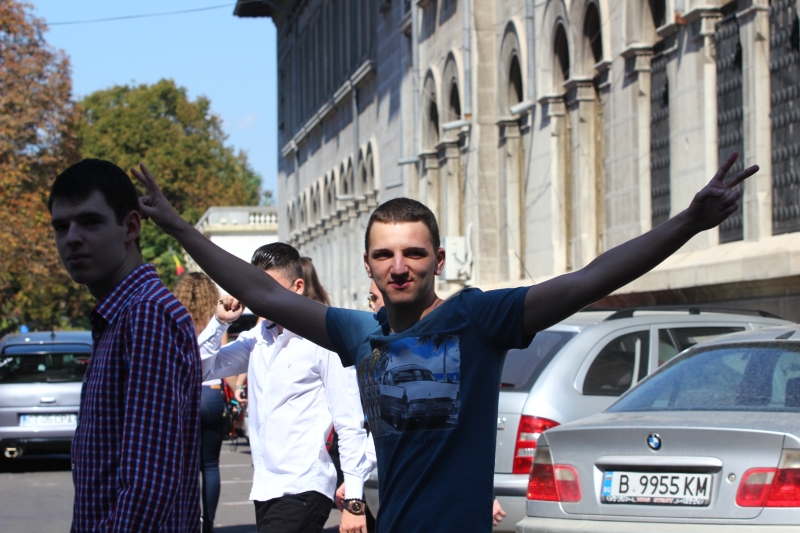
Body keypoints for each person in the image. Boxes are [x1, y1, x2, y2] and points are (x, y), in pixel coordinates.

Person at [132, 152, 757, 532]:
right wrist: (179, 224)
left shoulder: (480, 320)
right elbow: (265, 295)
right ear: (369, 265)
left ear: (438, 259)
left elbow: (591, 277)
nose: (399, 266)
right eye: (385, 255)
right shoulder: (358, 332)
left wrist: (688, 223)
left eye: (413, 253)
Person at [50, 159, 201, 532]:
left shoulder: (146, 315)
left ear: (131, 226)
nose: (72, 238)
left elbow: (146, 488)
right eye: (60, 226)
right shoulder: (121, 316)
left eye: (90, 222)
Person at [198, 243, 374, 533]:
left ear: (298, 286)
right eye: (253, 286)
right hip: (265, 487)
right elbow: (201, 368)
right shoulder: (258, 336)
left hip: (304, 487)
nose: (259, 297)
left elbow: (349, 422)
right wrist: (219, 323)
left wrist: (355, 501)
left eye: (268, 288)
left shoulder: (323, 337)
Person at [174, 272, 239, 533]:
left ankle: (188, 519)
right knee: (210, 464)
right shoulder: (214, 315)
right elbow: (220, 356)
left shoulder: (176, 316)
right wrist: (236, 393)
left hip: (185, 393)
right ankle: (209, 523)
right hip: (211, 392)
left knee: (185, 462)